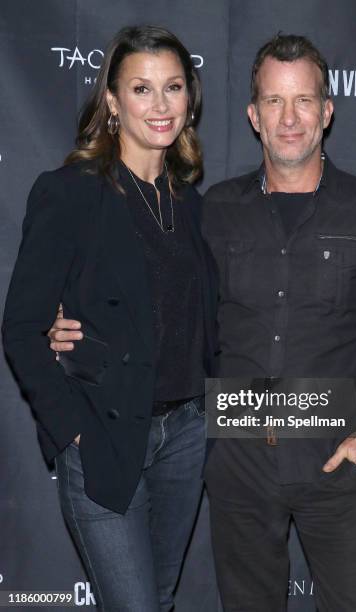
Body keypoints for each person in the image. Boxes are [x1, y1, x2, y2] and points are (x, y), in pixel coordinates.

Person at [47, 34, 356, 612]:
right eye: (274, 102)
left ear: (327, 111)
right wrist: (70, 319)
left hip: (340, 459)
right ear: (253, 116)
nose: (289, 118)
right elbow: (155, 297)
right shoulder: (210, 210)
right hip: (237, 460)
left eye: (304, 100)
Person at [2, 25, 218, 612]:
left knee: (162, 598)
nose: (160, 104)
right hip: (105, 434)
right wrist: (72, 431)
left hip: (186, 438)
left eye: (172, 87)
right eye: (141, 89)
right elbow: (20, 327)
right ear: (113, 102)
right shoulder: (72, 192)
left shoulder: (193, 205)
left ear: (189, 99)